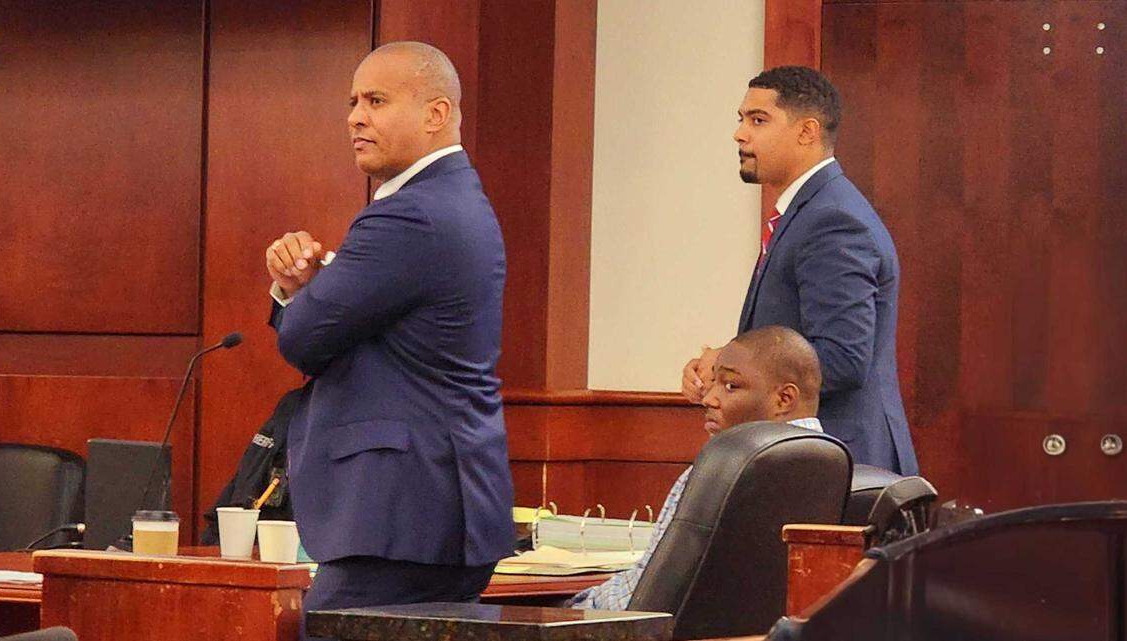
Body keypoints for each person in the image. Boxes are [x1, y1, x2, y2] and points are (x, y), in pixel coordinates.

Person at [263, 42, 514, 638]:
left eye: (376, 100)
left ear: (436, 113)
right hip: (437, 506)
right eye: (352, 101)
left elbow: (303, 340)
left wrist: (294, 292)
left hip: (401, 514)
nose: (355, 116)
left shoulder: (410, 216)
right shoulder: (456, 201)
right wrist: (310, 291)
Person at [681, 66, 918, 475]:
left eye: (758, 120)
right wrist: (724, 369)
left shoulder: (833, 220)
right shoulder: (811, 211)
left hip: (838, 466)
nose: (740, 134)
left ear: (806, 131)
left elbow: (843, 358)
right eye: (741, 119)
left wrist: (731, 366)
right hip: (814, 462)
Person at [573, 325, 825, 610]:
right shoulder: (849, 477)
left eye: (730, 386)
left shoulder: (717, 472)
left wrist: (571, 608)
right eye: (713, 382)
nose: (708, 398)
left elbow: (644, 597)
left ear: (783, 399)